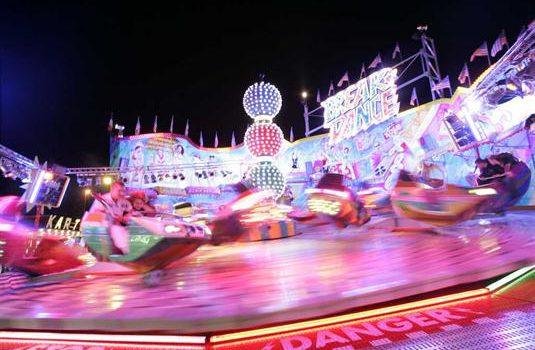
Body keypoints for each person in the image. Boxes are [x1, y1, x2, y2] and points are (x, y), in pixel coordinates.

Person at [89, 181, 132, 254]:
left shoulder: (123, 201)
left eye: (123, 191)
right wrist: (110, 218)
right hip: (102, 233)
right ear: (112, 189)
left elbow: (130, 210)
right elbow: (93, 218)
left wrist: (125, 217)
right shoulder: (102, 200)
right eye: (119, 191)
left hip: (117, 231)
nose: (122, 193)